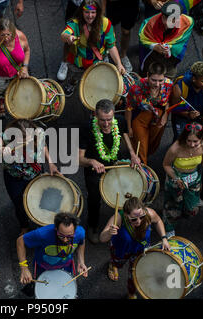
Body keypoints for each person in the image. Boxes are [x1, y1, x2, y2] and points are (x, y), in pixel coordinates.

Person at [79, 99, 141, 243]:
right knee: (94, 199)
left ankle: (127, 223)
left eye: (109, 119)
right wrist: (91, 161)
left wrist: (132, 154)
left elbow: (125, 135)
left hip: (116, 164)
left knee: (125, 192)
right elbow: (79, 159)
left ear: (113, 115)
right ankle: (93, 226)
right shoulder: (86, 128)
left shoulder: (119, 120)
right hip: (95, 169)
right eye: (102, 120)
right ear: (95, 115)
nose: (106, 124)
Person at [0, 119, 61, 235]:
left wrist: (51, 163)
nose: (27, 142)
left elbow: (43, 146)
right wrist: (3, 149)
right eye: (22, 140)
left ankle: (42, 220)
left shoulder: (38, 133)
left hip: (35, 172)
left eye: (29, 138)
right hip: (15, 176)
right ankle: (24, 226)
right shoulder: (5, 137)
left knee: (40, 197)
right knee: (19, 203)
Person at [99, 197, 170, 299]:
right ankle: (113, 265)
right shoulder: (118, 218)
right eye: (134, 219)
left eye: (141, 217)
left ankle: (131, 293)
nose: (139, 221)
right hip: (121, 249)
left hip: (140, 251)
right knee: (117, 262)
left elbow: (158, 221)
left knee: (134, 274)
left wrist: (164, 238)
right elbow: (102, 238)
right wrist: (109, 232)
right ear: (127, 215)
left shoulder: (149, 213)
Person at [60, 0, 126, 96]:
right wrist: (68, 37)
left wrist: (119, 64)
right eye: (86, 12)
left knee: (98, 77)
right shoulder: (75, 23)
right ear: (81, 12)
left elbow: (111, 46)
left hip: (98, 60)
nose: (90, 15)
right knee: (76, 76)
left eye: (93, 12)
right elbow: (63, 35)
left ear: (97, 12)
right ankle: (72, 83)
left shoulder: (106, 23)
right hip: (79, 61)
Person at [162, 122, 203, 237]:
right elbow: (166, 165)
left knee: (192, 208)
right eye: (189, 141)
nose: (192, 144)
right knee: (173, 206)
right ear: (184, 139)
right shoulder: (175, 148)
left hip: (194, 179)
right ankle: (169, 228)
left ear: (202, 139)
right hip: (176, 178)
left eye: (195, 141)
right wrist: (176, 179)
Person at [16, 212, 89, 285]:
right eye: (61, 236)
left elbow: (81, 242)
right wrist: (24, 267)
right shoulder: (42, 234)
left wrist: (81, 261)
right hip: (43, 267)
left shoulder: (80, 232)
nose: (65, 240)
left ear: (75, 230)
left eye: (69, 236)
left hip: (66, 266)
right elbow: (20, 241)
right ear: (56, 228)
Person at [125, 61, 173, 165]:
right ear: (147, 76)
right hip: (140, 116)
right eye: (154, 80)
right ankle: (144, 170)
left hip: (158, 117)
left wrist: (165, 115)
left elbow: (167, 102)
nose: (157, 84)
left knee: (153, 142)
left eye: (160, 80)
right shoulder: (136, 88)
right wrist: (128, 128)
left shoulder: (169, 84)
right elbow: (129, 108)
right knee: (141, 147)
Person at [139, 1, 194, 79]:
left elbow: (181, 42)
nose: (170, 24)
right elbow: (143, 38)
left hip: (170, 59)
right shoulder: (150, 23)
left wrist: (169, 47)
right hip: (153, 56)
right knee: (148, 76)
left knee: (168, 79)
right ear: (162, 16)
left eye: (174, 19)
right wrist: (154, 46)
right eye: (167, 19)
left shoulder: (187, 22)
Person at [170, 61, 203, 141]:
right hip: (182, 119)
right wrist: (188, 114)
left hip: (200, 118)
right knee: (180, 139)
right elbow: (174, 108)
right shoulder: (179, 89)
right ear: (194, 79)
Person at [105, 0, 140, 72]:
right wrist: (102, 9)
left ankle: (123, 55)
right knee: (108, 28)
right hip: (113, 4)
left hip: (130, 4)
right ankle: (106, 53)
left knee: (126, 32)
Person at [56, 0, 84, 81]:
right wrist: (67, 37)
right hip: (75, 4)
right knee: (71, 35)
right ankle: (65, 62)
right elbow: (64, 35)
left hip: (92, 4)